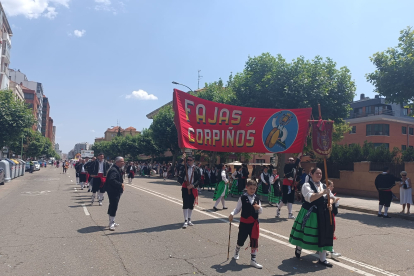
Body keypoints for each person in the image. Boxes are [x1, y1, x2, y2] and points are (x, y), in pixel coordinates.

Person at [289, 167, 335, 267]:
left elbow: (332, 197)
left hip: (323, 213)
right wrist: (323, 192)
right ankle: (299, 246)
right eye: (317, 173)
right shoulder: (306, 185)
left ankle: (322, 259)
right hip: (310, 213)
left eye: (320, 173)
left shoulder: (323, 185)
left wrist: (330, 203)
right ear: (311, 174)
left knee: (323, 234)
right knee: (305, 233)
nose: (319, 175)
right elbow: (310, 198)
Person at [229, 179, 263, 269]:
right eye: (251, 188)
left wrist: (259, 208)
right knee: (241, 240)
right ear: (247, 188)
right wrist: (232, 213)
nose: (252, 190)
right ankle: (237, 250)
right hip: (244, 223)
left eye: (254, 189)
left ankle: (253, 260)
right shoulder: (242, 197)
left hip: (254, 223)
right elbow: (237, 209)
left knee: (254, 241)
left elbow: (260, 211)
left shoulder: (257, 198)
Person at [178, 155, 201, 228]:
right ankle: (185, 220)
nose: (188, 161)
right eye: (187, 160)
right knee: (185, 203)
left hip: (192, 188)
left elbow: (199, 179)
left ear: (193, 160)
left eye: (190, 160)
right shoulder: (184, 167)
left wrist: (193, 185)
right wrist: (182, 158)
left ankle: (189, 219)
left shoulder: (197, 169)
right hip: (185, 187)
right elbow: (178, 165)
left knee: (191, 204)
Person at [277, 153, 302, 219]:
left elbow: (300, 173)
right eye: (289, 160)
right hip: (286, 183)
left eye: (292, 160)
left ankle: (290, 214)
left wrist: (299, 165)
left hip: (292, 184)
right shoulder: (287, 166)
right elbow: (294, 165)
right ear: (287, 161)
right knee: (284, 200)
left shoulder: (294, 168)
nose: (291, 161)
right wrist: (298, 158)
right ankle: (278, 209)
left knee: (291, 199)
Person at [106, 156, 125, 231]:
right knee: (114, 205)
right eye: (122, 161)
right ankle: (111, 223)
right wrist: (120, 184)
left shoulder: (117, 169)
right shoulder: (114, 170)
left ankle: (111, 221)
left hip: (115, 190)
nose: (123, 163)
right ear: (117, 162)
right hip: (113, 190)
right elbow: (112, 180)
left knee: (112, 205)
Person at [326, 180, 341, 259]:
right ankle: (331, 251)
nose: (333, 187)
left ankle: (327, 250)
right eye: (331, 186)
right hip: (327, 214)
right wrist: (334, 200)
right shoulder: (325, 193)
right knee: (329, 231)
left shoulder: (330, 193)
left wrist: (335, 200)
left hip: (331, 214)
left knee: (330, 231)